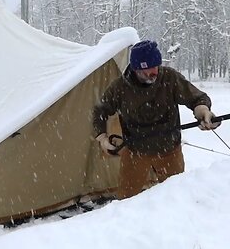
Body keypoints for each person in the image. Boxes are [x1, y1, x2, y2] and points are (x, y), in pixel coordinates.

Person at [92, 40, 220, 200]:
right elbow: (100, 111)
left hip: (169, 150)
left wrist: (202, 111)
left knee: (177, 197)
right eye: (147, 69)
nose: (154, 72)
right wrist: (102, 138)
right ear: (136, 68)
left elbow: (196, 97)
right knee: (126, 201)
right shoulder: (120, 88)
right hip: (135, 153)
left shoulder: (169, 78)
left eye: (156, 66)